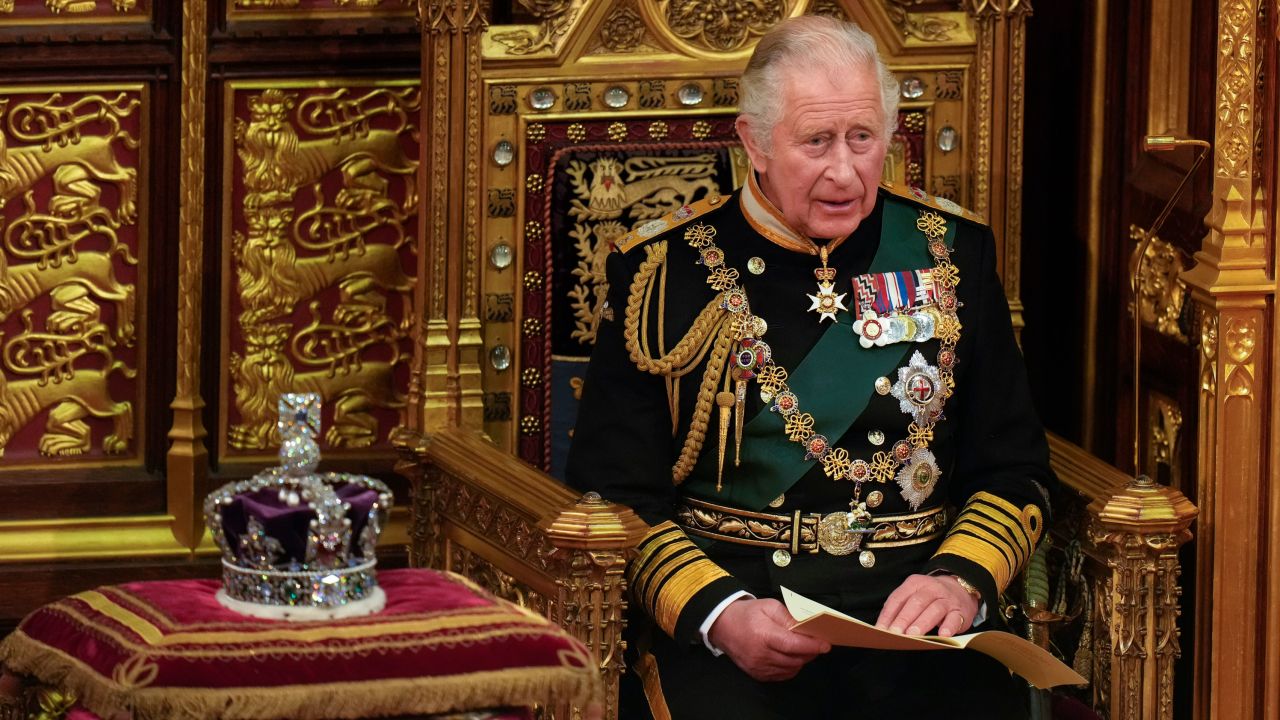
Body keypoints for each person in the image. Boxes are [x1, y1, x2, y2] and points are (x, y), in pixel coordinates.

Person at [566, 15, 1055, 719]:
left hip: (917, 624)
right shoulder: (662, 272)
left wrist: (961, 580)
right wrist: (720, 613)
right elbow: (612, 496)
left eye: (863, 138)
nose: (845, 170)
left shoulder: (951, 252)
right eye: (816, 141)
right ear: (754, 142)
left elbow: (1013, 466)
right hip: (741, 619)